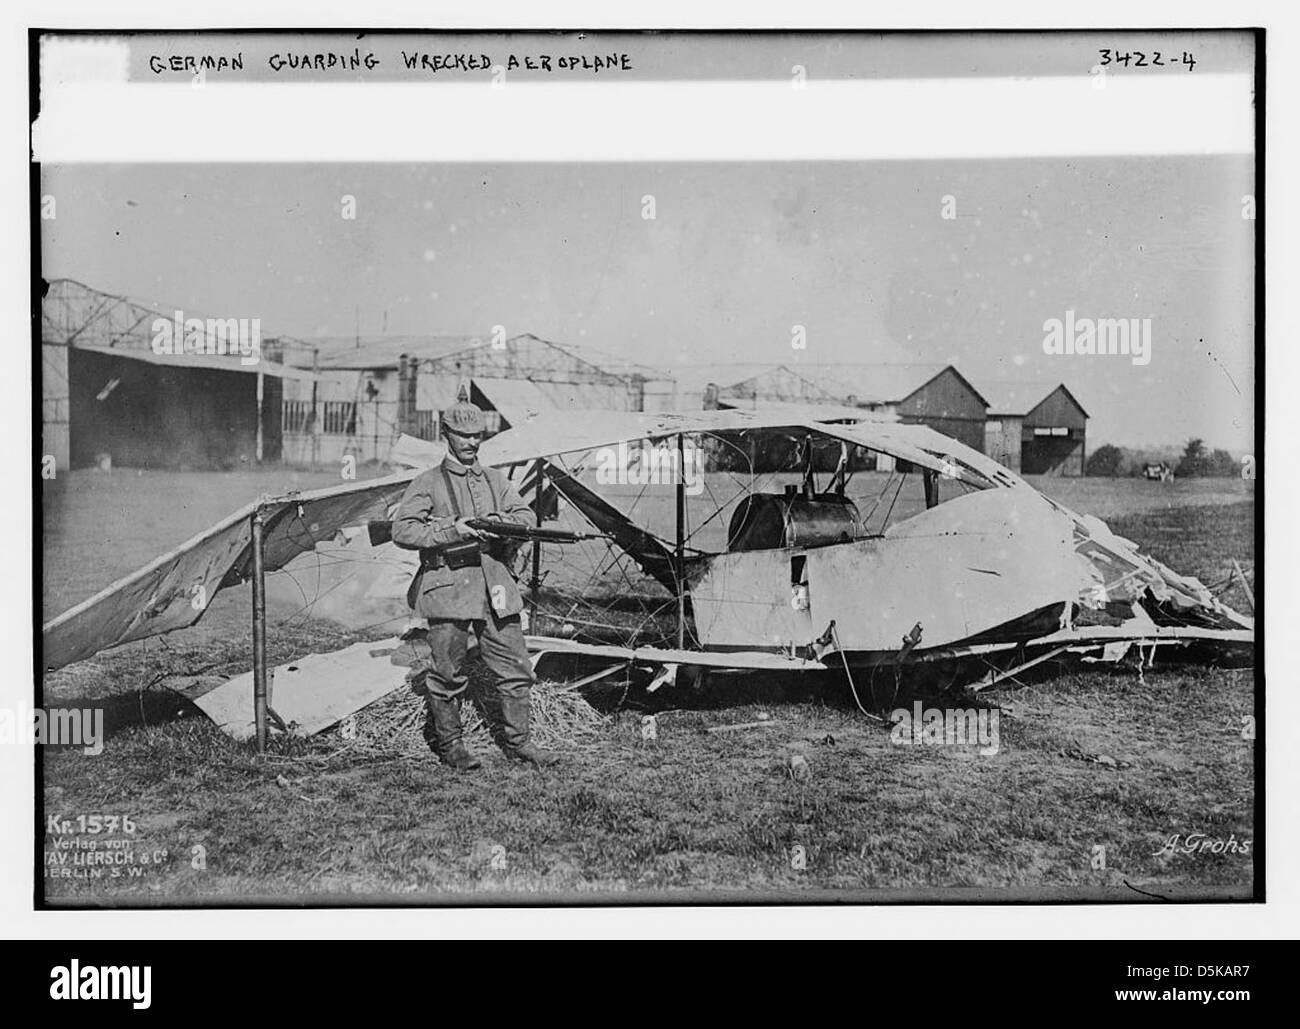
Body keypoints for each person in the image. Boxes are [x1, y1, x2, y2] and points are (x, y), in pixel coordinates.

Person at [390, 401, 558, 770]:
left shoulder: (496, 481)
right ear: (445, 435)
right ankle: (451, 747)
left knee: (516, 669)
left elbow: (525, 515)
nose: (471, 442)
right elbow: (402, 530)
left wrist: (496, 522)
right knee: (447, 673)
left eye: (477, 436)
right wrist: (454, 529)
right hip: (448, 589)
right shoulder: (428, 482)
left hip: (494, 589)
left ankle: (521, 743)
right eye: (463, 435)